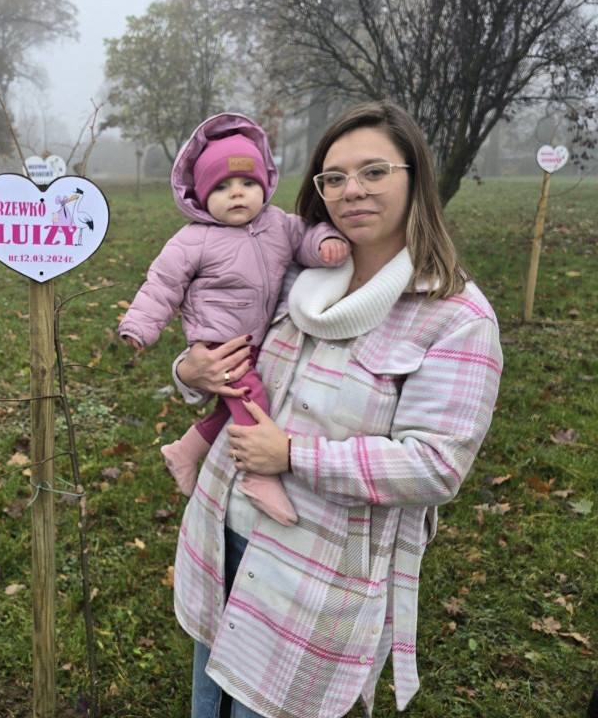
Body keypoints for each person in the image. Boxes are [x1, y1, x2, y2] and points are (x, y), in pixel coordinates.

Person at [170, 102, 502, 717]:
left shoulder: (454, 316)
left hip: (316, 566)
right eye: (333, 177)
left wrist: (291, 455)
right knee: (207, 702)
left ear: (415, 178)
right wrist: (190, 373)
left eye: (374, 172)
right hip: (224, 532)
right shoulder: (295, 273)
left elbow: (435, 466)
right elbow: (224, 357)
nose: (352, 191)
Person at [119, 113, 349, 527]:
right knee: (251, 402)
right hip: (217, 344)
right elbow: (162, 286)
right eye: (221, 187)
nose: (236, 194)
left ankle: (184, 452)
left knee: (230, 410)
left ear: (264, 186)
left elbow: (306, 236)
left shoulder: (278, 224)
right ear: (201, 196)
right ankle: (260, 476)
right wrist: (140, 326)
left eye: (246, 184)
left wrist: (326, 242)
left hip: (251, 340)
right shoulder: (193, 239)